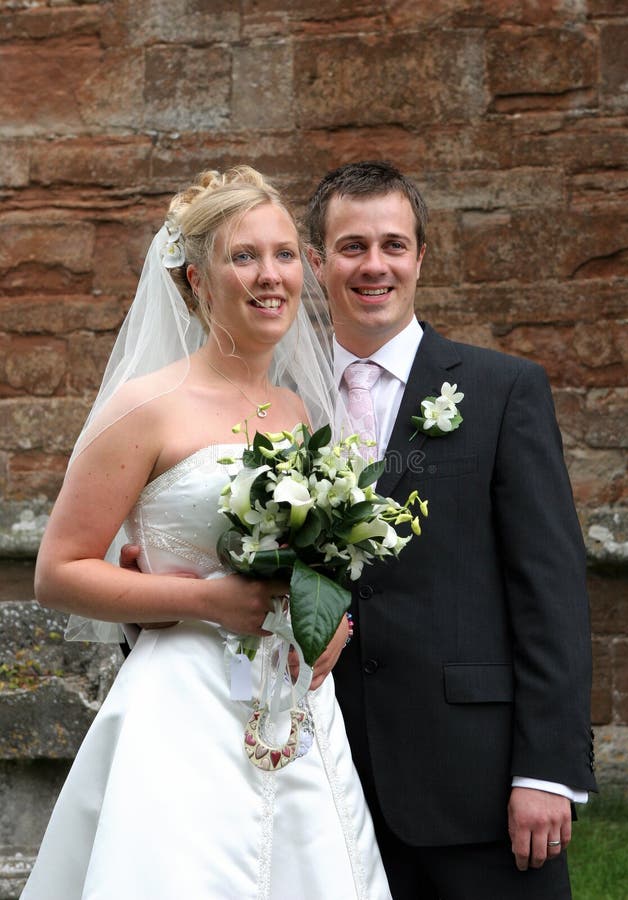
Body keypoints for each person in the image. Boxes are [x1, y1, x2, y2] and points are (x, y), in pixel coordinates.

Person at [21, 167, 392, 899]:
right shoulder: (146, 407)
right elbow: (57, 570)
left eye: (285, 254)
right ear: (195, 277)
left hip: (295, 705)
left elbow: (314, 556)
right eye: (243, 256)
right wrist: (205, 602)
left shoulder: (298, 410)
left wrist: (328, 619)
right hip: (182, 706)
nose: (271, 276)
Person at [302, 160, 597, 899]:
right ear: (315, 261)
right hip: (322, 777)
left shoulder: (503, 391)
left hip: (478, 780)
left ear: (420, 258)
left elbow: (550, 591)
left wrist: (547, 768)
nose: (375, 266)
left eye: (394, 245)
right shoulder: (279, 400)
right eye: (351, 246)